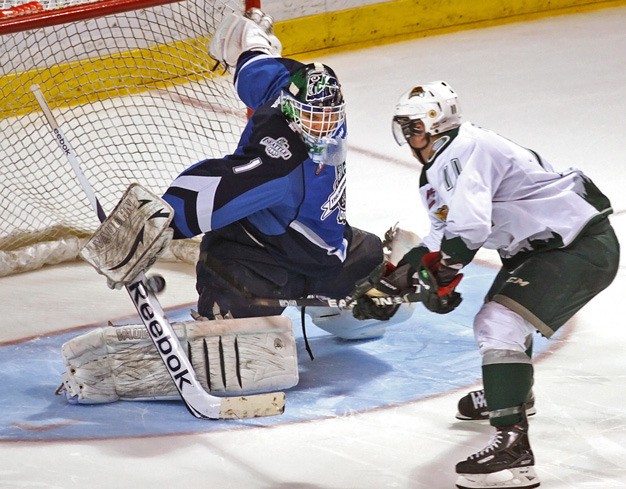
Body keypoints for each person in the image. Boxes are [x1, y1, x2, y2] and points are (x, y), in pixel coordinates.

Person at [352, 81, 620, 488]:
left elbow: (470, 230)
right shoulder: (445, 161)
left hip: (576, 247)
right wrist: (392, 284)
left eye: (413, 127)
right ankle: (512, 396)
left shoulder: (464, 151)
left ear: (436, 126)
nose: (408, 138)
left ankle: (514, 452)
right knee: (507, 319)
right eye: (404, 128)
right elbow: (443, 235)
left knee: (498, 324)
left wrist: (437, 278)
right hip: (546, 246)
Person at [161, 9, 412, 340]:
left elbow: (259, 68)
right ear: (291, 110)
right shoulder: (281, 161)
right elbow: (222, 187)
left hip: (313, 255)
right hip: (280, 256)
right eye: (313, 117)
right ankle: (226, 323)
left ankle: (306, 300)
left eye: (329, 117)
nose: (323, 127)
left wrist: (251, 46)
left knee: (368, 259)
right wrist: (162, 217)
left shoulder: (292, 93)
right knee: (227, 255)